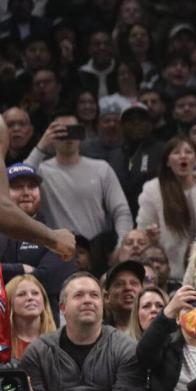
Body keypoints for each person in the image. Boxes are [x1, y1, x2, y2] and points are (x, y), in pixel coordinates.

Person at [21, 272, 144, 391]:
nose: (88, 300)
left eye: (94, 295)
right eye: (79, 295)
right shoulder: (38, 351)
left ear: (103, 304)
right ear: (62, 307)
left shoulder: (125, 347)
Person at [26, 113, 126, 273]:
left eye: (74, 130)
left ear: (81, 133)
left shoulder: (101, 168)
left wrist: (122, 245)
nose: (68, 136)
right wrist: (41, 145)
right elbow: (18, 179)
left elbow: (121, 211)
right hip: (55, 251)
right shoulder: (41, 171)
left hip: (95, 253)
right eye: (61, 131)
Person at [137, 137, 196, 281]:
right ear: (167, 161)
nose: (183, 156)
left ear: (195, 160)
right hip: (170, 273)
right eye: (176, 152)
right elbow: (142, 234)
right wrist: (151, 236)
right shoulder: (152, 190)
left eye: (189, 152)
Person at [0, 163, 76, 318]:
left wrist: (4, 271)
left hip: (43, 331)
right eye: (17, 187)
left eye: (32, 186)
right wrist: (21, 269)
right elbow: (38, 278)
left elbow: (50, 280)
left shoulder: (58, 236)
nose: (26, 192)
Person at [6, 274, 57, 359]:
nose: (30, 298)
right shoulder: (3, 346)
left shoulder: (60, 343)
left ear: (43, 301)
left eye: (35, 293)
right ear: (9, 303)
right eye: (21, 294)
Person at [103, 259, 145, 334]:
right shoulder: (98, 333)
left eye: (134, 283)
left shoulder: (153, 329)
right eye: (119, 284)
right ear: (107, 297)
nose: (128, 288)